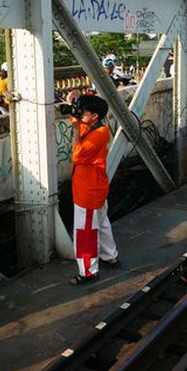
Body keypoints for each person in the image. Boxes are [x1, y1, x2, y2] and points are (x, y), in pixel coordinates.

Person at [66, 90, 119, 285]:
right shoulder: (93, 127)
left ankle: (88, 271)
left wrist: (75, 129)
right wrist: (74, 105)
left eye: (83, 112)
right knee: (102, 223)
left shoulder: (99, 133)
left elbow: (77, 154)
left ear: (95, 116)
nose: (79, 116)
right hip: (93, 187)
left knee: (85, 232)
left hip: (87, 191)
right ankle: (109, 255)